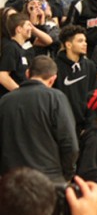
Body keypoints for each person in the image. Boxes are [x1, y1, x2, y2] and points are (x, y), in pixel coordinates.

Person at [0, 55, 79, 183]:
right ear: (53, 79)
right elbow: (70, 143)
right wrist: (67, 174)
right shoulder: (56, 98)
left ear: (27, 73)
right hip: (48, 179)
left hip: (12, 181)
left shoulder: (4, 101)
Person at [54, 25, 97, 135]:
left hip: (84, 127)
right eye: (80, 41)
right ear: (68, 44)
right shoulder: (54, 66)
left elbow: (93, 95)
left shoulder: (90, 66)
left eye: (85, 41)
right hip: (61, 126)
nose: (85, 44)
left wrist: (89, 125)